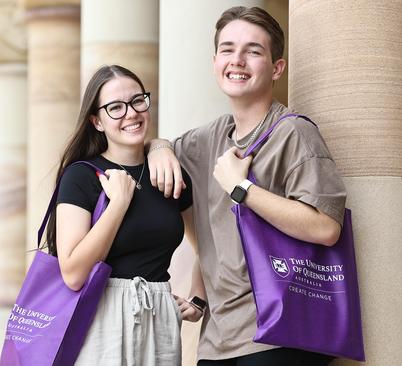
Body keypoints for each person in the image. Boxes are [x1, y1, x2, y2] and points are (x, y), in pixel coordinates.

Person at [147, 6, 345, 366]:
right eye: (227, 49)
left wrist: (242, 189)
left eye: (253, 51)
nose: (237, 60)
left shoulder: (293, 132)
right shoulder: (206, 140)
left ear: (276, 68)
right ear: (214, 61)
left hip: (279, 332)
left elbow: (326, 227)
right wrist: (159, 146)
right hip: (219, 336)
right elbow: (211, 230)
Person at [47, 64, 205, 366]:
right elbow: (73, 273)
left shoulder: (167, 172)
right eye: (115, 108)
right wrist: (118, 204)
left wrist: (198, 298)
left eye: (137, 101)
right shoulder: (81, 177)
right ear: (97, 121)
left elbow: (207, 245)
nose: (131, 113)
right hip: (101, 317)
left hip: (159, 315)